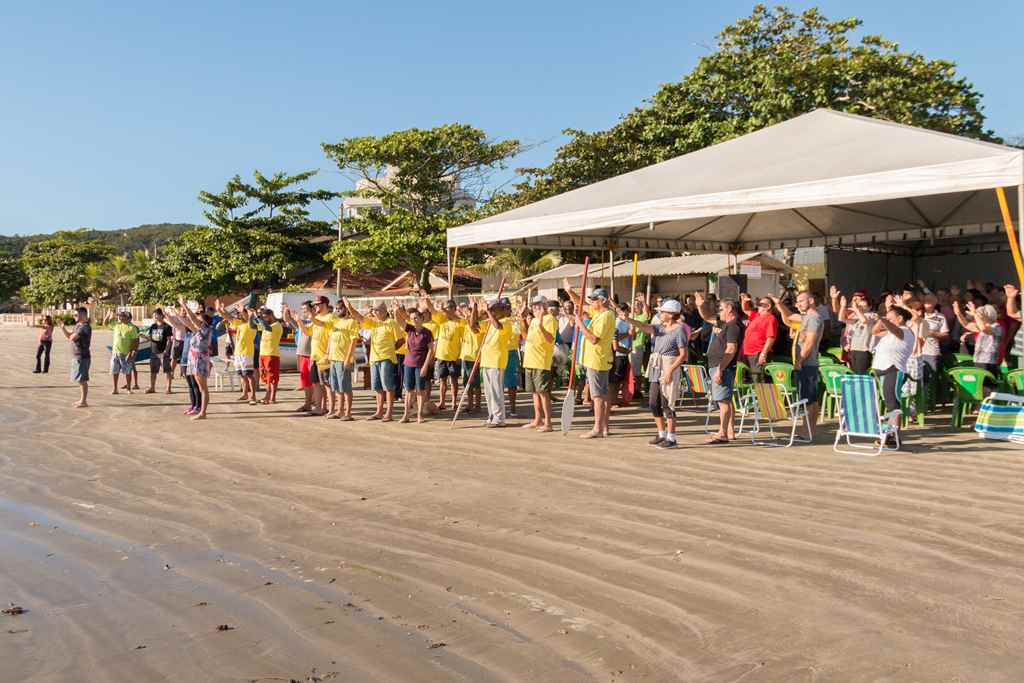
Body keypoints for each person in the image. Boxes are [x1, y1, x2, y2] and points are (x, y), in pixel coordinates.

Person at [619, 299, 688, 449]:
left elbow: (683, 354)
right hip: (657, 365)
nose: (660, 314)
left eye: (663, 312)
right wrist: (628, 319)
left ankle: (672, 437)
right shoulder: (661, 327)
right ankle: (661, 433)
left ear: (671, 314)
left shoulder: (679, 329)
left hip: (669, 365)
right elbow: (644, 327)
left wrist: (670, 370)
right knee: (653, 402)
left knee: (667, 403)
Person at [564, 280, 616, 439]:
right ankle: (604, 427)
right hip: (597, 359)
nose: (591, 302)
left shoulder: (606, 315)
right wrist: (569, 291)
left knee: (598, 396)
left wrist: (580, 324)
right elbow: (581, 303)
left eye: (594, 300)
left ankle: (597, 428)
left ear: (603, 301)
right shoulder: (599, 313)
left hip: (597, 360)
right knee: (603, 394)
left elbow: (594, 339)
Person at [773, 291, 823, 441]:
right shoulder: (807, 317)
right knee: (810, 399)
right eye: (797, 301)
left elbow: (810, 342)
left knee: (808, 400)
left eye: (801, 301)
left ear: (812, 300)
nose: (798, 304)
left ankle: (807, 431)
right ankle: (808, 430)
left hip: (807, 363)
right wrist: (778, 303)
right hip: (807, 363)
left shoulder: (813, 318)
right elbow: (789, 318)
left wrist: (800, 361)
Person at [347, 300, 406, 422]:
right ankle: (379, 411)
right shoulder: (373, 323)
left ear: (384, 312)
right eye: (374, 310)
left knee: (388, 386)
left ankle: (389, 412)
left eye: (377, 310)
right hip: (374, 359)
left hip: (387, 358)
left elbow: (401, 340)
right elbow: (359, 317)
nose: (374, 312)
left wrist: (391, 349)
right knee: (377, 386)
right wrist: (350, 308)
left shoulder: (391, 323)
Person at [871, 299, 916, 446]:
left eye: (891, 318)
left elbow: (895, 330)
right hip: (884, 370)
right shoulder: (890, 332)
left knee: (893, 402)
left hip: (894, 370)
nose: (887, 321)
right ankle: (889, 432)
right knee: (888, 401)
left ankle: (893, 434)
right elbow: (874, 331)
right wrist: (882, 318)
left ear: (900, 319)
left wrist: (883, 319)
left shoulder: (905, 331)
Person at [471, 298, 515, 427]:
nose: (493, 312)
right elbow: (473, 326)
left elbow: (498, 326)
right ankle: (492, 416)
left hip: (497, 360)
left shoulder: (506, 322)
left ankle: (499, 418)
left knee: (496, 391)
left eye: (494, 309)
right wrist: (474, 308)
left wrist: (488, 311)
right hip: (486, 360)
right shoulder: (489, 323)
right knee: (489, 392)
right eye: (492, 309)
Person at [518, 294, 557, 432]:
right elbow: (525, 336)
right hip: (530, 360)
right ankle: (538, 419)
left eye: (538, 305)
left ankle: (548, 423)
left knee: (543, 392)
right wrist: (521, 317)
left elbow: (550, 339)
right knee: (534, 392)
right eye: (534, 305)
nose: (535, 307)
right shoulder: (534, 320)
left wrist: (540, 325)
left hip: (541, 361)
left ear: (545, 306)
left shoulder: (550, 319)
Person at [705, 299, 741, 444]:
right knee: (726, 400)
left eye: (721, 309)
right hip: (721, 366)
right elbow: (707, 317)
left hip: (723, 367)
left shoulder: (733, 327)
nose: (719, 312)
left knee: (723, 402)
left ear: (730, 309)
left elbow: (731, 349)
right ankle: (729, 431)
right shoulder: (729, 325)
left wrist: (720, 369)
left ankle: (723, 433)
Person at [177, 297, 213, 419]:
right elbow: (186, 321)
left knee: (203, 388)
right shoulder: (198, 330)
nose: (197, 318)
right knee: (201, 386)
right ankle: (201, 411)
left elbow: (191, 319)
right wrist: (180, 310)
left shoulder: (205, 328)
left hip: (200, 360)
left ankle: (203, 412)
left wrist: (185, 305)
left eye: (199, 317)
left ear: (204, 322)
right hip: (195, 359)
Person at [425, 298, 464, 412]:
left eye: (451, 308)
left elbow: (463, 340)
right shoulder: (441, 319)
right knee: (442, 380)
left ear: (455, 309)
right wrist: (427, 299)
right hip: (441, 355)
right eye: (447, 308)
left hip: (454, 356)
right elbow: (432, 309)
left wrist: (459, 356)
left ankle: (454, 402)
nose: (449, 310)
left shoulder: (459, 322)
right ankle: (442, 402)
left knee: (454, 380)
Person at [323, 303, 359, 420]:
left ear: (346, 309)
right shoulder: (336, 322)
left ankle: (348, 413)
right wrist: (327, 354)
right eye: (336, 308)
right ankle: (339, 411)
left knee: (346, 387)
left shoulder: (351, 322)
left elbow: (353, 341)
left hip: (343, 359)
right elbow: (330, 338)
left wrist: (347, 359)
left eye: (340, 308)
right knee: (337, 387)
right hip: (333, 358)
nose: (337, 310)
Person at [400, 307, 435, 423]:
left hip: (420, 364)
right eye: (411, 318)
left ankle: (420, 415)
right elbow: (399, 320)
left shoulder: (427, 333)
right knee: (409, 390)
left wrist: (426, 366)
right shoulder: (409, 329)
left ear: (421, 318)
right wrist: (396, 310)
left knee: (420, 390)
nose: (414, 320)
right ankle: (406, 415)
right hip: (408, 363)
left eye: (416, 318)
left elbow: (431, 350)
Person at [219, 302, 258, 405]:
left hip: (247, 353)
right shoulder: (239, 323)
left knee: (249, 375)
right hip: (238, 353)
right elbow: (228, 317)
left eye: (242, 313)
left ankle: (253, 396)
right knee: (241, 375)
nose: (241, 315)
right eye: (240, 314)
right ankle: (245, 394)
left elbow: (250, 320)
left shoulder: (252, 324)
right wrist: (220, 309)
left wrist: (247, 312)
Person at [833, 288, 877, 374]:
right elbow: (841, 318)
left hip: (863, 351)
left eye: (863, 306)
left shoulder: (872, 315)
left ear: (870, 307)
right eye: (859, 306)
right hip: (853, 349)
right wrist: (843, 306)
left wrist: (856, 309)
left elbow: (864, 321)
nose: (860, 308)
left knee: (861, 375)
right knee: (854, 374)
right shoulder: (857, 317)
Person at [953, 300, 1003, 375]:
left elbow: (983, 329)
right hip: (978, 360)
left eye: (980, 315)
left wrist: (975, 314)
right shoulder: (981, 325)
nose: (978, 317)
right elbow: (966, 325)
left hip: (989, 361)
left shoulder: (997, 326)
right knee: (980, 384)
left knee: (988, 385)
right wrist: (958, 314)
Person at [740, 295, 777, 381]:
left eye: (761, 303)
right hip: (749, 353)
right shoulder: (757, 315)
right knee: (752, 380)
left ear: (768, 306)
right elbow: (745, 310)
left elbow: (771, 337)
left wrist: (763, 354)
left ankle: (764, 395)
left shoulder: (770, 319)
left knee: (759, 381)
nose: (758, 305)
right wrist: (744, 301)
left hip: (758, 353)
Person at [60, 306, 92, 407]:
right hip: (77, 355)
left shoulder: (85, 327)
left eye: (76, 315)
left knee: (82, 380)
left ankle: (84, 401)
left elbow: (72, 337)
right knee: (79, 379)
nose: (74, 317)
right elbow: (70, 335)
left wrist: (69, 334)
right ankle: (81, 400)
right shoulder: (78, 325)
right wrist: (63, 328)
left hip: (82, 356)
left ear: (82, 315)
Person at [103, 309, 140, 395]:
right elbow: (105, 323)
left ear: (128, 318)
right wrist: (108, 315)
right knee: (114, 371)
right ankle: (115, 388)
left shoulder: (132, 328)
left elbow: (135, 341)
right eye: (120, 316)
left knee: (127, 371)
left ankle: (128, 388)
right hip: (115, 352)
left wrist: (131, 352)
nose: (120, 317)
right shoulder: (117, 325)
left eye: (122, 316)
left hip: (126, 353)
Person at [253, 307, 284, 405]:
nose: (264, 319)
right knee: (266, 377)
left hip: (272, 354)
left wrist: (256, 316)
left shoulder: (276, 325)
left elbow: (266, 327)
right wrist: (252, 316)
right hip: (263, 354)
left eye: (266, 317)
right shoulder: (266, 325)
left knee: (273, 377)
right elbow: (253, 326)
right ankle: (267, 395)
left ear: (271, 316)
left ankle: (272, 397)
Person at [457, 302, 484, 414]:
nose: (467, 315)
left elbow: (473, 324)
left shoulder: (478, 326)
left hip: (475, 357)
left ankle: (477, 405)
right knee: (467, 382)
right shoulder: (465, 326)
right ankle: (470, 404)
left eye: (469, 313)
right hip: (466, 357)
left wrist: (474, 308)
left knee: (476, 383)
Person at [140, 308, 174, 394]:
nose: (154, 316)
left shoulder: (167, 327)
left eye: (156, 314)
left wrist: (166, 350)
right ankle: (152, 387)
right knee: (153, 371)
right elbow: (152, 339)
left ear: (161, 315)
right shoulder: (153, 326)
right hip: (154, 351)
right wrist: (144, 337)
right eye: (154, 315)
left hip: (163, 352)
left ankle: (168, 388)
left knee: (167, 370)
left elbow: (169, 340)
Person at [608, 303, 634, 407]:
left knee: (622, 378)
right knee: (615, 379)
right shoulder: (617, 323)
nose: (625, 313)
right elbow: (615, 339)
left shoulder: (628, 322)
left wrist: (632, 332)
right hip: (619, 353)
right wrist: (628, 333)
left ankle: (617, 398)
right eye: (623, 311)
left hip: (625, 353)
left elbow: (633, 336)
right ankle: (612, 399)